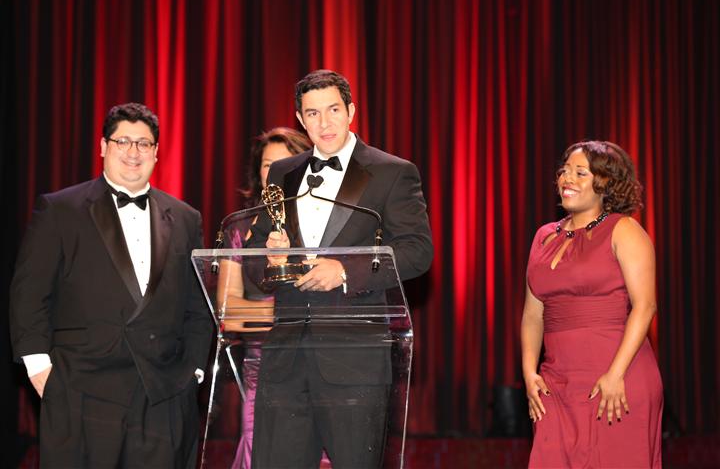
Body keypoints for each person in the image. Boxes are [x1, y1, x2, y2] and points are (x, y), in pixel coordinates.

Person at [9, 103, 213, 468]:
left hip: (162, 393)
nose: (134, 152)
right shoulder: (60, 209)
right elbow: (29, 294)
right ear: (103, 147)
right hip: (82, 391)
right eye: (123, 141)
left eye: (144, 143)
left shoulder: (186, 217)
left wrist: (194, 369)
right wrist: (40, 370)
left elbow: (198, 304)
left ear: (156, 152)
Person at [247, 69, 433, 468]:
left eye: (333, 110)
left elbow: (417, 251)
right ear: (301, 119)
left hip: (355, 359)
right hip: (286, 360)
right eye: (313, 114)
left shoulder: (392, 172)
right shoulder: (282, 173)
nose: (325, 122)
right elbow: (253, 259)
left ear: (351, 111)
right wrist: (269, 257)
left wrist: (346, 270)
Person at [521, 141, 663, 468]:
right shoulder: (543, 236)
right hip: (556, 383)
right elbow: (532, 314)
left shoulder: (624, 230)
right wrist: (529, 373)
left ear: (606, 183)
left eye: (580, 172)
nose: (566, 178)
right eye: (564, 171)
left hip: (616, 379)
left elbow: (645, 307)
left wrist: (615, 374)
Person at [217, 127, 313, 469]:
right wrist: (293, 312)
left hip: (322, 368)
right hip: (264, 371)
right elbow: (228, 310)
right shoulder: (239, 228)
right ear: (258, 173)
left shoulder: (327, 226)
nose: (278, 172)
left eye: (288, 163)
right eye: (269, 165)